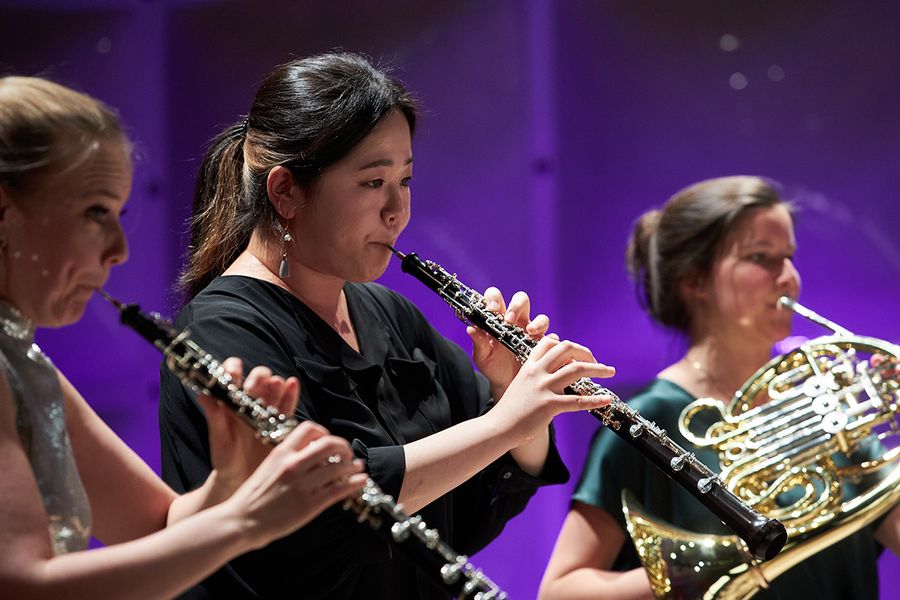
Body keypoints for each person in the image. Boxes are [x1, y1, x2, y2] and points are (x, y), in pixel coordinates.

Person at [158, 51, 614, 599]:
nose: (397, 210)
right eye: (373, 183)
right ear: (285, 192)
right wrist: (504, 424)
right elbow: (316, 516)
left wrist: (510, 394)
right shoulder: (221, 329)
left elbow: (464, 515)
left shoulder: (387, 313)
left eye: (406, 179)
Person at [0, 75, 368, 598]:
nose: (119, 249)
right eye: (95, 212)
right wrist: (247, 521)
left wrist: (231, 482)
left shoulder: (20, 358)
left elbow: (159, 526)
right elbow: (19, 585)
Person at [539, 175, 900, 599]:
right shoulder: (648, 418)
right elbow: (560, 591)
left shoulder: (824, 407)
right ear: (694, 280)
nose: (789, 277)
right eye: (762, 258)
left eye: (789, 257)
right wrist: (710, 572)